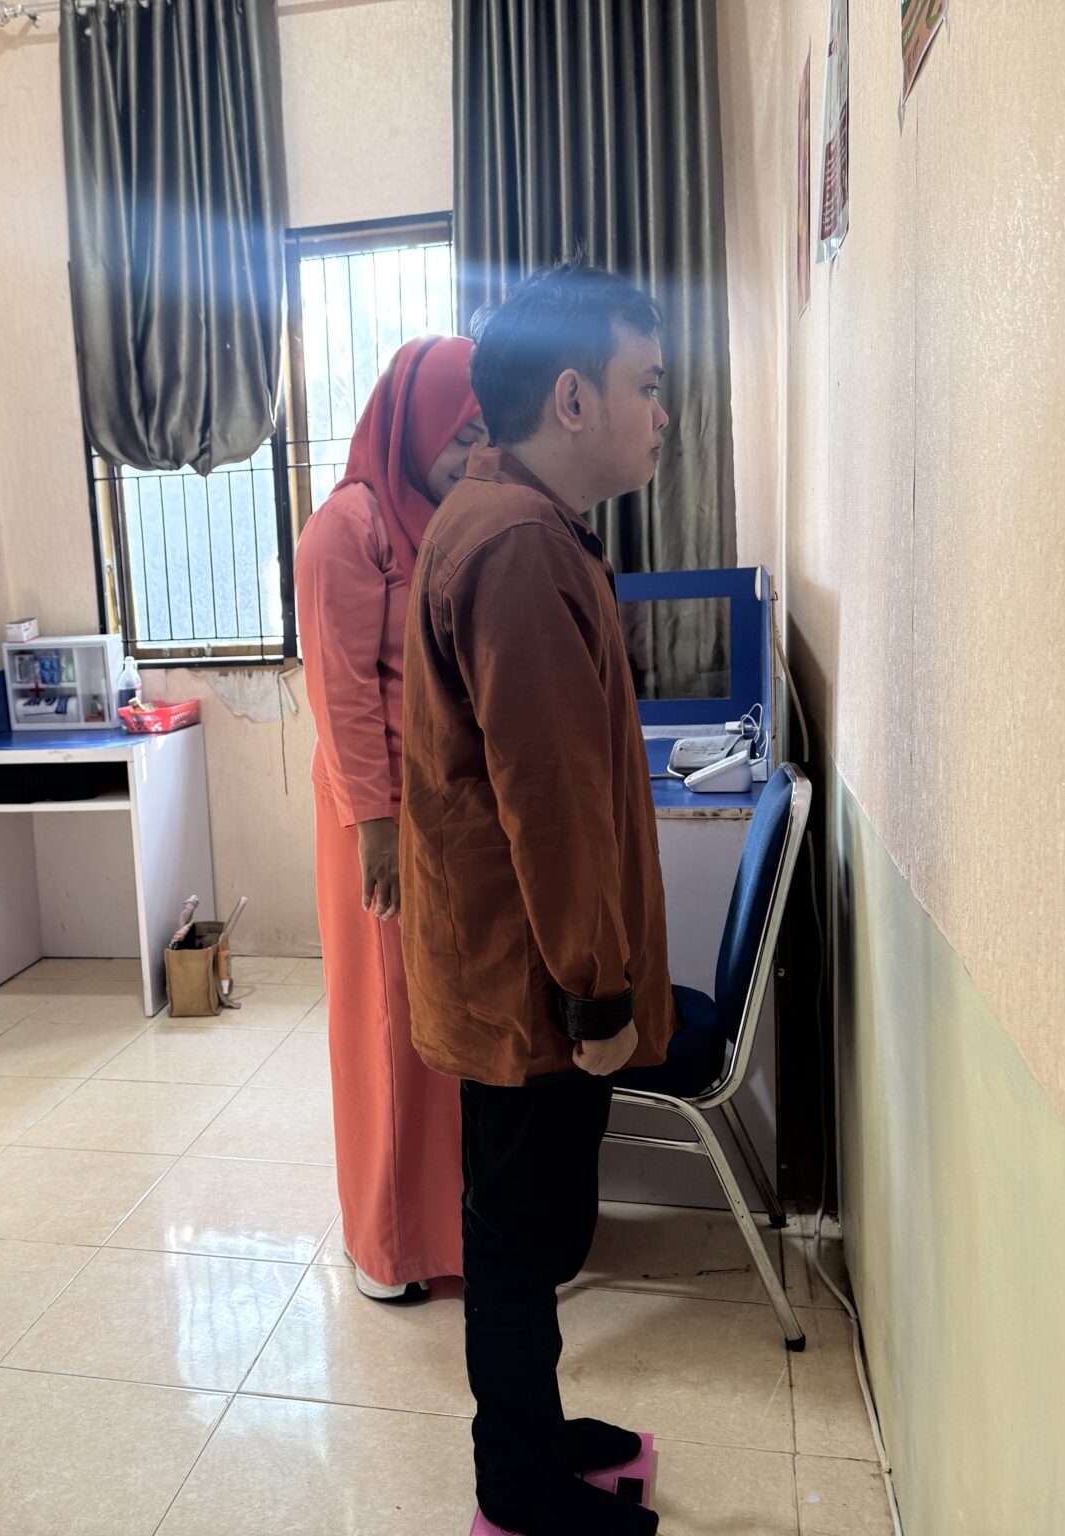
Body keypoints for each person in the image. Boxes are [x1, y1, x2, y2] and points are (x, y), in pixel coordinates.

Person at [398, 263, 673, 1536]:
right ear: (571, 399)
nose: (661, 412)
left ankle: (535, 1436)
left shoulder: (514, 523)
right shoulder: (514, 545)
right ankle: (516, 1492)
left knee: (524, 1233)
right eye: (645, 384)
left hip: (515, 971)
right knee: (515, 1245)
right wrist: (596, 995)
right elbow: (549, 802)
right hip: (534, 988)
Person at [294, 336, 485, 1304]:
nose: (472, 455)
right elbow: (340, 695)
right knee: (388, 1027)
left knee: (440, 1030)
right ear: (412, 423)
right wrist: (376, 826)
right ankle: (388, 1246)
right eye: (460, 435)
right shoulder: (347, 527)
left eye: (484, 434)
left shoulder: (443, 520)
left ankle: (445, 1230)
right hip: (379, 823)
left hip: (440, 813)